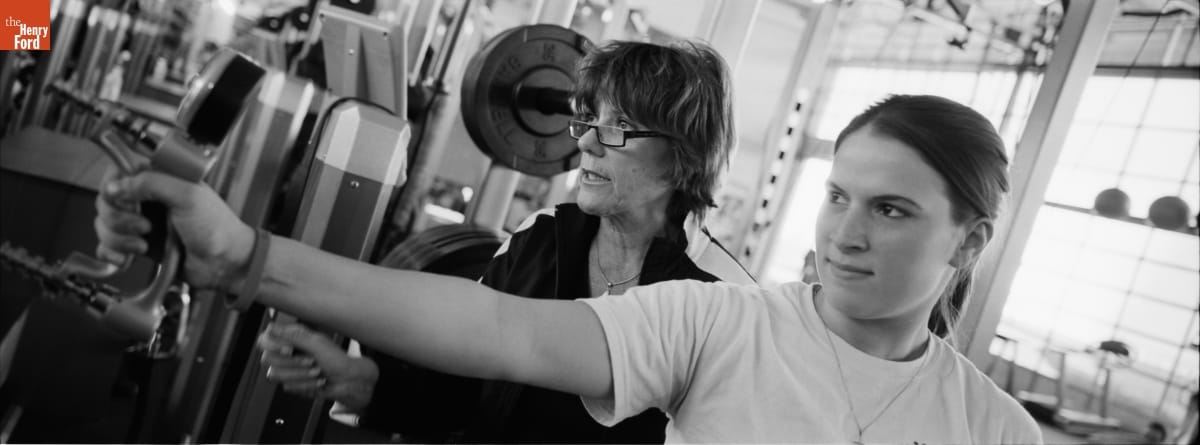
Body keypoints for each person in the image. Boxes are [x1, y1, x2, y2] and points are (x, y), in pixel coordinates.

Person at [94, 94, 1042, 442]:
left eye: (891, 209)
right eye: (838, 194)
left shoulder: (993, 429)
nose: (846, 232)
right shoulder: (722, 325)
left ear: (967, 241)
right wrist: (245, 256)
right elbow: (495, 333)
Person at [254, 40, 750, 443]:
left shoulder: (723, 304)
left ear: (684, 153)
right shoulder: (542, 238)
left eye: (619, 126)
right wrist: (359, 381)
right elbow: (461, 396)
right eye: (590, 118)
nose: (585, 143)